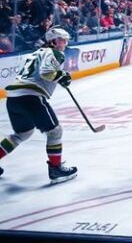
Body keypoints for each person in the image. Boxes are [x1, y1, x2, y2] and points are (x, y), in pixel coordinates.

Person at [0, 26, 77, 184]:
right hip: (31, 96)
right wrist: (62, 75)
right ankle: (55, 169)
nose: (64, 43)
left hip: (13, 98)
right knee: (55, 131)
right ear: (53, 41)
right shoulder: (55, 53)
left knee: (23, 133)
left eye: (65, 40)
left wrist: (59, 77)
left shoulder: (35, 53)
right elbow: (46, 72)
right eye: (62, 40)